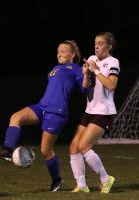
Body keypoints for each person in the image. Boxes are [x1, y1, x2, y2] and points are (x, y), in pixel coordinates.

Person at [0, 40, 85, 191]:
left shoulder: (76, 68)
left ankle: (57, 180)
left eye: (64, 51)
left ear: (73, 54)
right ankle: (7, 150)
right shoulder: (55, 68)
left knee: (46, 151)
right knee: (16, 117)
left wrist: (87, 74)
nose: (59, 54)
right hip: (42, 107)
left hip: (57, 112)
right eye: (58, 51)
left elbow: (84, 89)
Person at [69, 32, 119, 193]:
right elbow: (86, 86)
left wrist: (96, 70)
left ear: (109, 46)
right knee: (74, 147)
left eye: (101, 43)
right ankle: (82, 186)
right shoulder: (91, 59)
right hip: (89, 110)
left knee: (84, 146)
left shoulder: (113, 62)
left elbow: (111, 85)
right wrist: (85, 73)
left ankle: (106, 179)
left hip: (104, 112)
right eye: (96, 43)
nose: (97, 46)